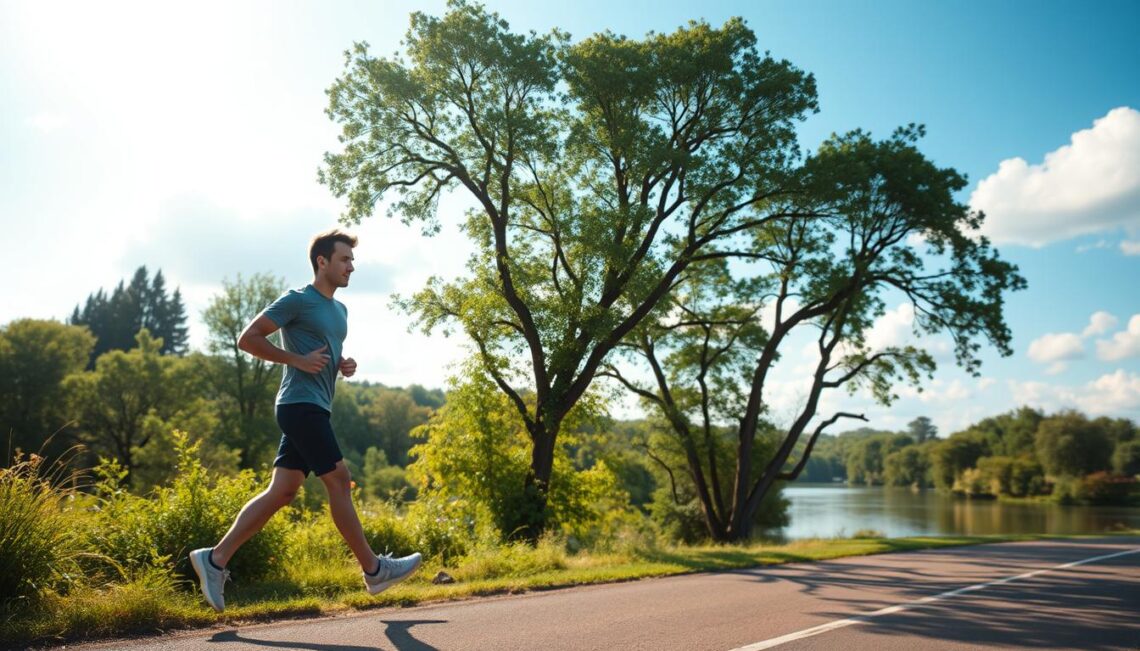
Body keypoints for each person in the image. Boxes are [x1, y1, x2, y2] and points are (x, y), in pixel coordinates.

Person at [189, 228, 421, 612]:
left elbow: (324, 353)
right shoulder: (298, 300)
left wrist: (342, 365)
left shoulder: (339, 310)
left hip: (314, 405)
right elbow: (248, 339)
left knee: (283, 492)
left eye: (352, 260)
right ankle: (374, 569)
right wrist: (294, 360)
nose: (351, 267)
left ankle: (214, 560)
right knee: (340, 482)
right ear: (322, 262)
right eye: (345, 259)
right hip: (299, 406)